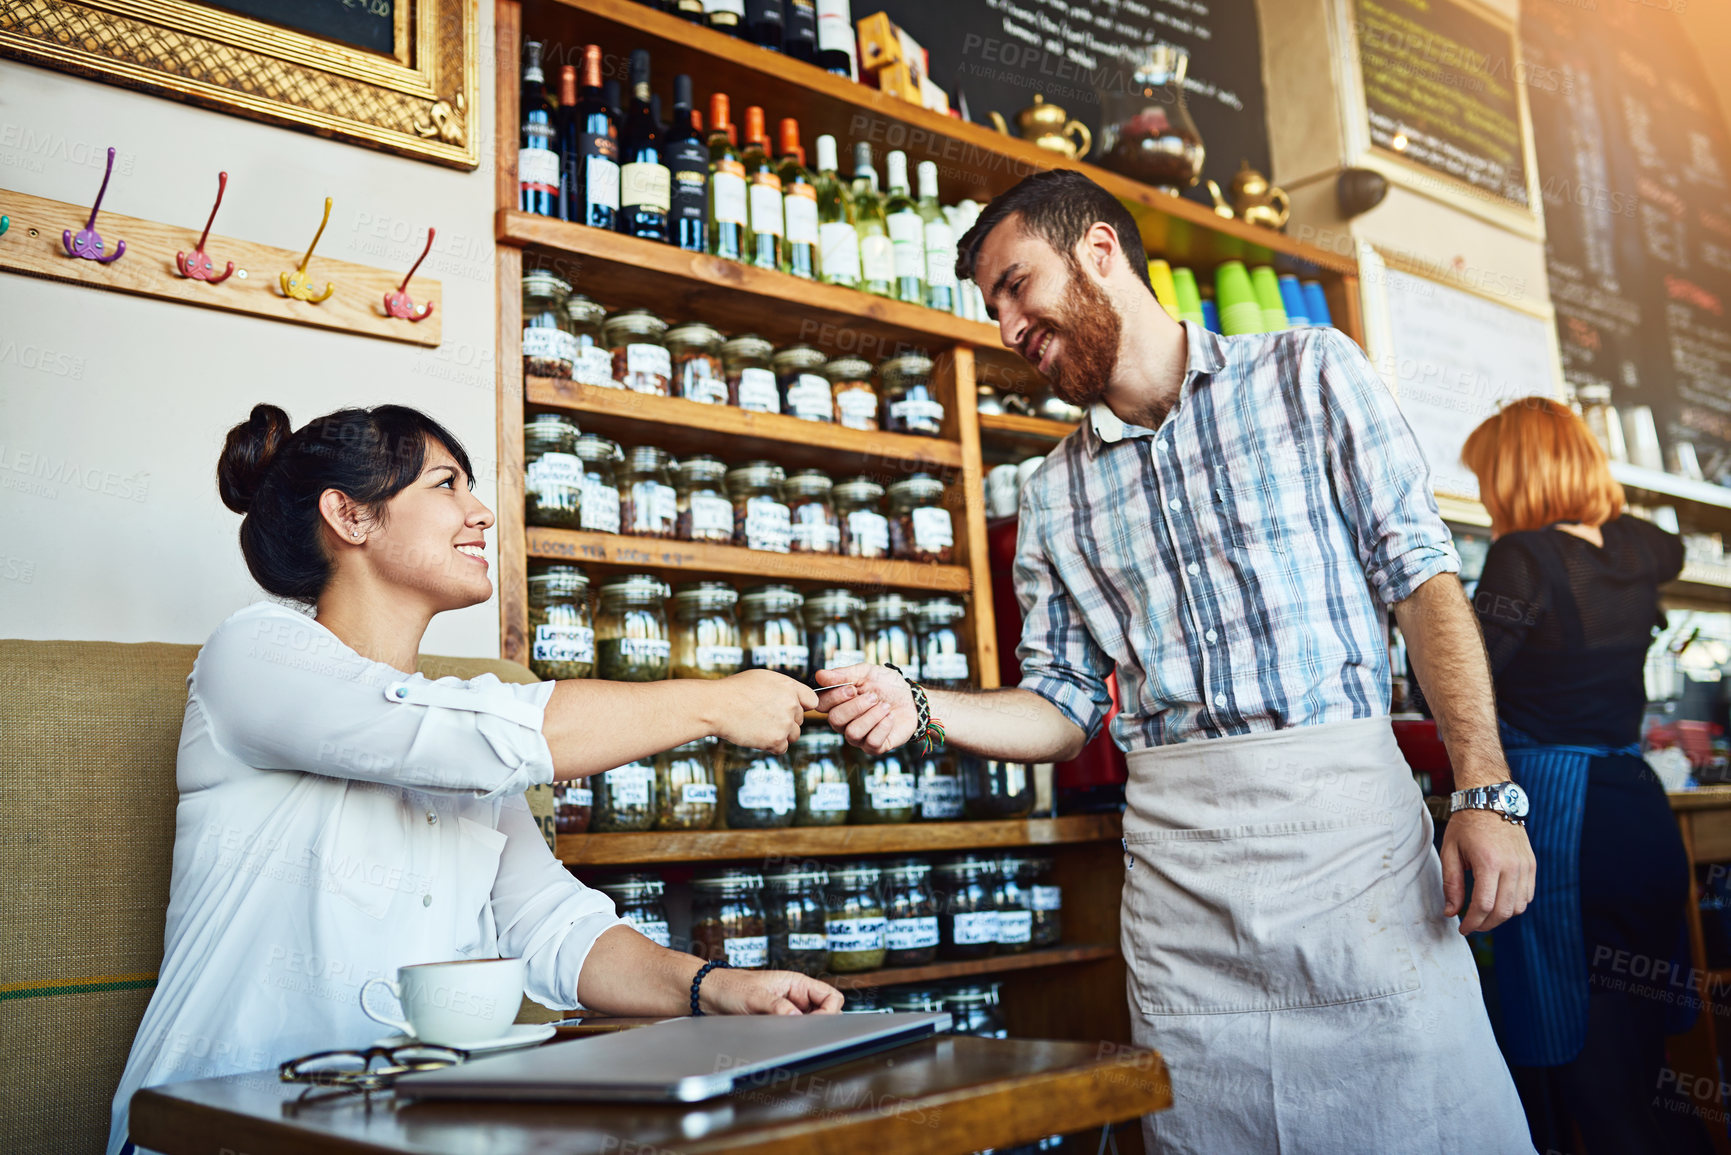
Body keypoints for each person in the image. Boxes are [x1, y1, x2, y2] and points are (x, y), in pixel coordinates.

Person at [818, 169, 1535, 1153]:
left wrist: (1484, 792)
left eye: (1016, 285)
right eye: (991, 307)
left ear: (1101, 252)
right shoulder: (1055, 494)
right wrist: (924, 705)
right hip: (1184, 888)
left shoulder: (1311, 371)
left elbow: (1422, 583)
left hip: (1354, 851)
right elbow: (1064, 708)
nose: (1006, 326)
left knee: (1425, 1122)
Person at [108, 404, 839, 1155]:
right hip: (211, 1132)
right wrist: (713, 700)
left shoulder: (456, 726)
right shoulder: (254, 653)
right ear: (349, 515)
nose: (481, 512)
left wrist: (709, 986)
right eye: (446, 483)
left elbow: (552, 924)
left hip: (402, 1130)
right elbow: (464, 736)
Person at [1461, 399, 1703, 1154]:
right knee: (1643, 1062)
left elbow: (1462, 677)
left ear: (1513, 474)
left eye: (1487, 478)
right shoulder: (1634, 547)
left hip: (1566, 825)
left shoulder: (1523, 555)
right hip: (1639, 810)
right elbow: (1669, 544)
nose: (1485, 496)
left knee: (1589, 1071)